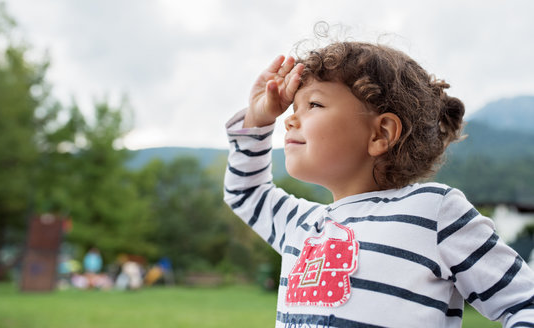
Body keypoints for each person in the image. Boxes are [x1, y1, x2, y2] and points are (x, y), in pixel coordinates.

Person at [223, 35, 534, 327]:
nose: (289, 119)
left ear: (380, 133)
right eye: (293, 107)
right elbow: (246, 192)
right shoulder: (301, 225)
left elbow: (524, 303)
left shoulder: (433, 212)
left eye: (314, 104)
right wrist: (257, 120)